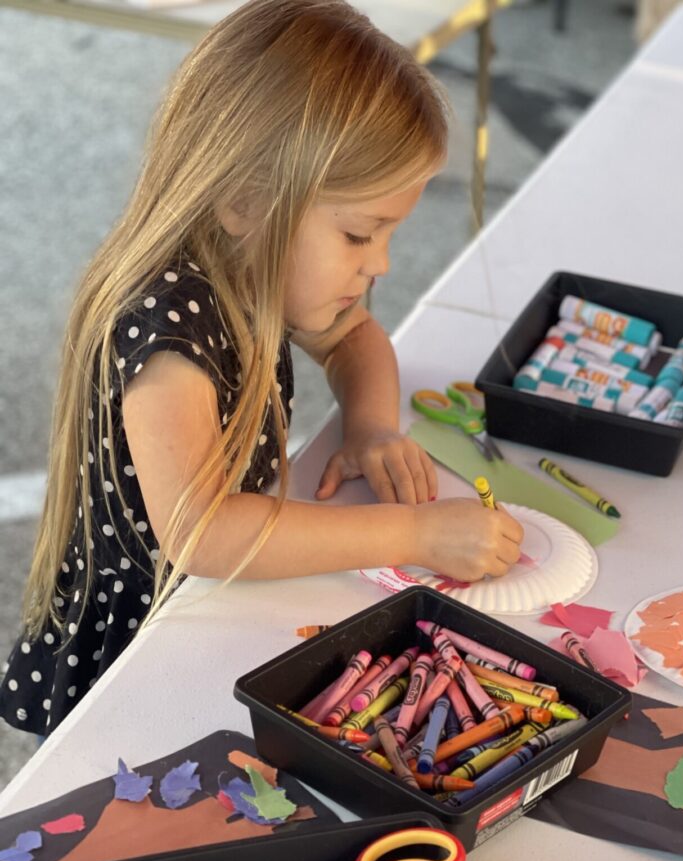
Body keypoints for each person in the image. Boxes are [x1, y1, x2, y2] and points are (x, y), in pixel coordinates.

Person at [0, 0, 523, 739]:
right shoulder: (171, 334)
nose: (380, 264)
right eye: (359, 234)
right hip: (148, 639)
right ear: (247, 201)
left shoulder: (252, 265)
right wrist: (414, 533)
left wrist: (371, 428)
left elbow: (355, 340)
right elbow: (206, 534)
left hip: (222, 601)